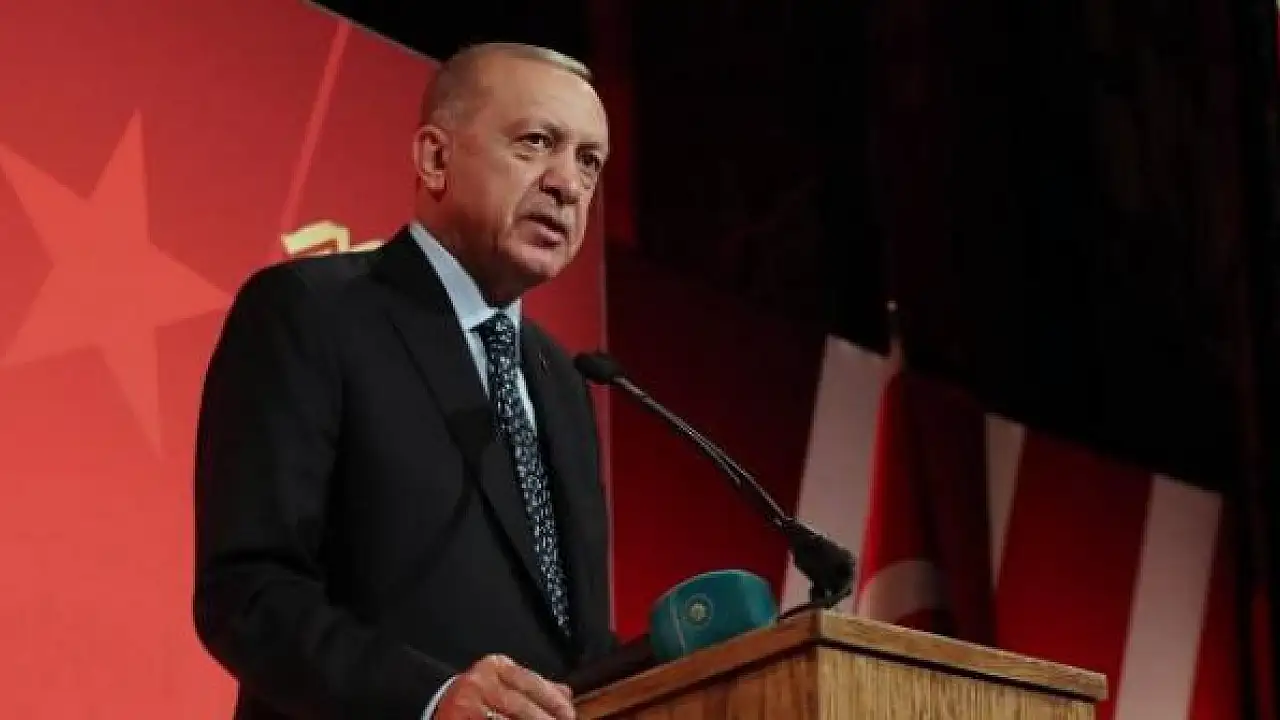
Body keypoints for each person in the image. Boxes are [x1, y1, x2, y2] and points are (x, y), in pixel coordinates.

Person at [192, 42, 615, 720]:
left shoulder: (563, 381)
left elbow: (579, 642)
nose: (568, 184)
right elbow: (249, 594)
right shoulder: (313, 312)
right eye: (536, 142)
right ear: (435, 158)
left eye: (589, 161)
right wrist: (430, 697)